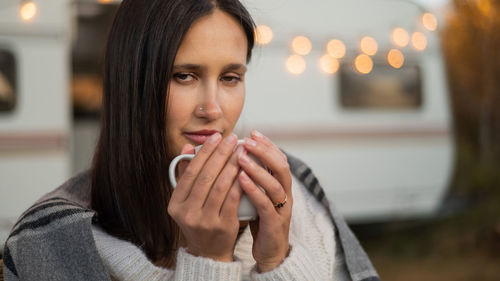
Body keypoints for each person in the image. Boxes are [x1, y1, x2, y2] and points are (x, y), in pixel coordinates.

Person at [2, 0, 380, 280]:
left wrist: (279, 258)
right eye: (184, 76)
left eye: (230, 77)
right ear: (131, 84)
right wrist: (208, 260)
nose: (212, 108)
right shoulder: (53, 243)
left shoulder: (295, 195)